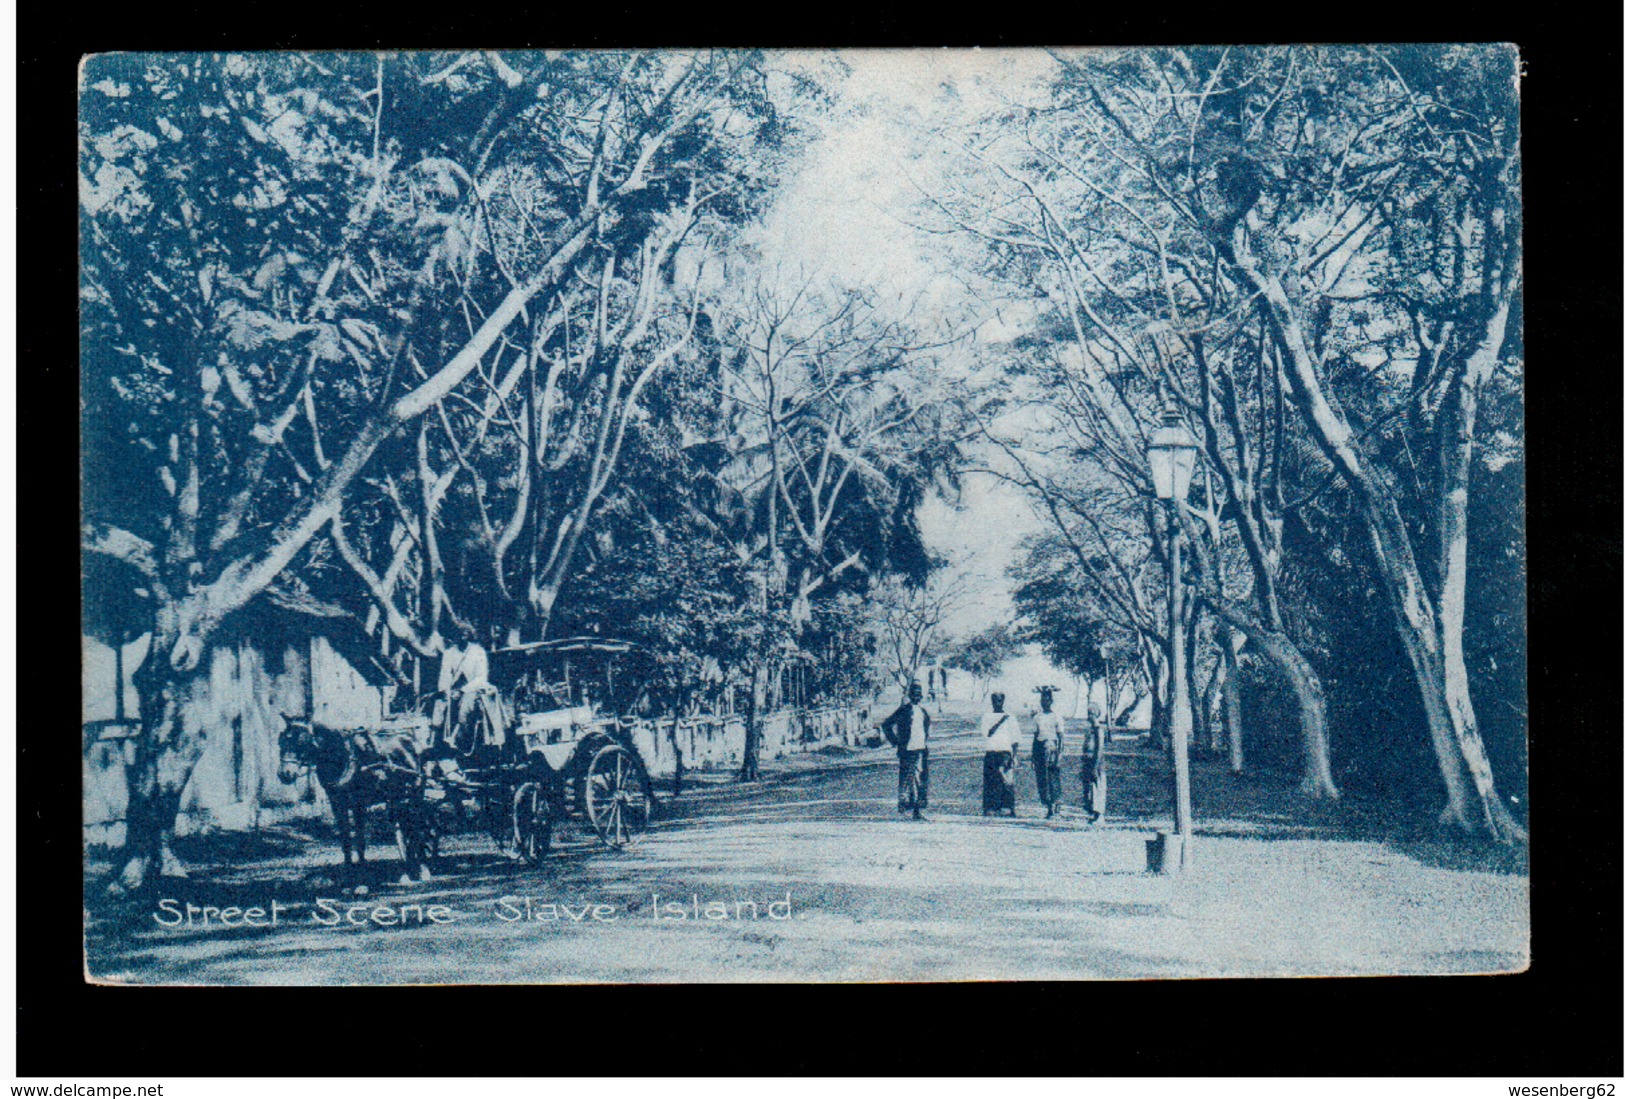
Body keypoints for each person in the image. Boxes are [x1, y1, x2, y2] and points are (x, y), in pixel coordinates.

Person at [881, 681, 931, 820]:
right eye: (914, 694)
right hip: (907, 750)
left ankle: (916, 810)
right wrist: (896, 741)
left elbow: (924, 730)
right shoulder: (903, 710)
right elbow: (886, 724)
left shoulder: (923, 711)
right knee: (908, 780)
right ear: (909, 695)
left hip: (920, 749)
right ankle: (908, 810)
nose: (917, 697)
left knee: (920, 780)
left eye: (919, 694)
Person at [979, 692, 1020, 817]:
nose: (997, 702)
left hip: (1005, 752)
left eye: (999, 700)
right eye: (995, 700)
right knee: (991, 780)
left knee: (1006, 781)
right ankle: (991, 807)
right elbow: (986, 734)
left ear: (1003, 701)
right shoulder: (986, 717)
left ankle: (1007, 807)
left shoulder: (1010, 718)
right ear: (991, 701)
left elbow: (1015, 739)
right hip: (991, 751)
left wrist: (1014, 756)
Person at [1032, 685, 1065, 819]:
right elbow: (1035, 737)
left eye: (1047, 700)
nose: (1044, 702)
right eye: (1042, 700)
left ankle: (1056, 806)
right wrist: (1033, 757)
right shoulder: (1037, 717)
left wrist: (1060, 754)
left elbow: (1061, 737)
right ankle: (1048, 806)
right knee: (1042, 778)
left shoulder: (1057, 717)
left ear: (1051, 701)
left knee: (1053, 777)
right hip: (1040, 747)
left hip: (1052, 748)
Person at [1081, 704, 1109, 823]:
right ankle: (1092, 812)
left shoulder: (1099, 730)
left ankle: (1099, 815)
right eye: (1088, 714)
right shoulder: (1090, 729)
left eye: (1092, 714)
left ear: (1097, 715)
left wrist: (1095, 766)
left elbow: (1099, 748)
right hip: (1087, 761)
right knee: (1089, 789)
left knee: (1097, 788)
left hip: (1096, 762)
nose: (1089, 716)